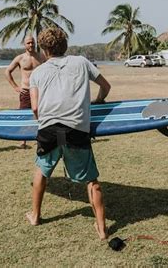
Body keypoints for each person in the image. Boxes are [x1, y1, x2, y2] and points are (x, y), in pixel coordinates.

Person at [26, 28, 111, 240]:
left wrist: (44, 122)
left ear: (45, 50)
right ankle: (101, 229)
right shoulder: (82, 62)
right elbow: (105, 86)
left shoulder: (37, 73)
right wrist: (98, 101)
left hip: (50, 131)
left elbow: (35, 108)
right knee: (91, 180)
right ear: (65, 45)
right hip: (75, 129)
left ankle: (35, 215)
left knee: (41, 171)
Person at [5, 36, 45, 148]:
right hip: (26, 91)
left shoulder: (41, 57)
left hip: (39, 90)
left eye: (32, 43)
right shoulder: (20, 58)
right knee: (23, 114)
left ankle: (40, 138)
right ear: (24, 45)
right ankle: (23, 141)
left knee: (41, 114)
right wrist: (15, 87)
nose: (31, 45)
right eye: (28, 43)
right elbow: (7, 71)